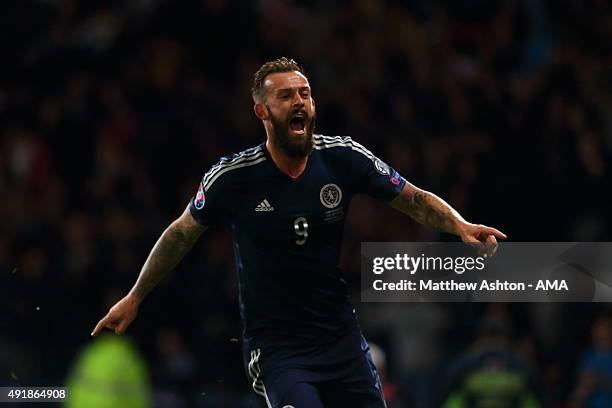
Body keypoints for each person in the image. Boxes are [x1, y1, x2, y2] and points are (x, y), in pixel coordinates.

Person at [91, 57, 506, 408]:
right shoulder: (234, 178)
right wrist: (135, 296)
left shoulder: (343, 158)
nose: (300, 103)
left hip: (340, 339)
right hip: (278, 350)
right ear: (262, 112)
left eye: (305, 94)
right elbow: (181, 234)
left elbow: (412, 198)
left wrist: (460, 225)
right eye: (286, 96)